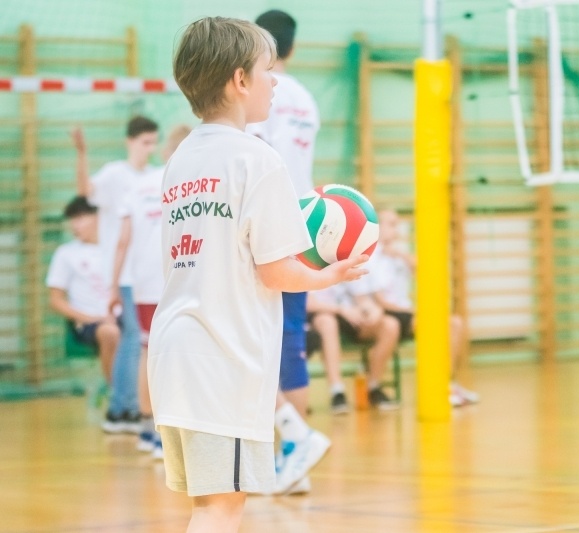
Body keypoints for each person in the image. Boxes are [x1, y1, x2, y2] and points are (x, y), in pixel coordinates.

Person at [150, 17, 366, 532]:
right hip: (220, 357)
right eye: (269, 71)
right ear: (240, 80)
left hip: (174, 351)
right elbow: (276, 272)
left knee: (209, 506)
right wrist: (332, 276)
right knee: (221, 509)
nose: (276, 82)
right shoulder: (259, 160)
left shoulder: (180, 159)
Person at [245, 9, 324, 496]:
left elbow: (254, 162)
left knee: (250, 339)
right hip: (305, 223)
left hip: (268, 226)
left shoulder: (259, 92)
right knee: (289, 339)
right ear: (292, 47)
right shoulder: (306, 100)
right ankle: (296, 460)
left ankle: (292, 444)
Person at [110, 125, 192, 459]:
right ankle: (169, 435)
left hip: (143, 281)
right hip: (177, 276)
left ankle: (149, 430)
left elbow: (123, 241)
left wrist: (113, 286)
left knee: (148, 351)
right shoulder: (189, 184)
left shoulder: (138, 185)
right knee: (178, 355)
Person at [73, 116, 159, 433]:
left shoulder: (155, 176)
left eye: (153, 143)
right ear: (130, 142)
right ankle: (123, 409)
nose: (149, 149)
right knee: (134, 340)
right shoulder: (114, 174)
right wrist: (82, 153)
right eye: (145, 142)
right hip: (123, 275)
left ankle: (125, 409)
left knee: (135, 341)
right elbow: (85, 190)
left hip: (148, 277)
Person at [352, 208, 479, 407]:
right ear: (378, 227)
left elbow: (425, 272)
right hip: (387, 314)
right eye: (391, 224)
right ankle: (374, 386)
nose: (396, 229)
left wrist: (401, 255)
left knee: (454, 323)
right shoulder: (370, 257)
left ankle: (446, 383)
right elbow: (381, 302)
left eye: (397, 224)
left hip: (406, 313)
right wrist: (418, 312)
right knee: (394, 326)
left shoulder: (398, 254)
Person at [47, 197, 119, 384]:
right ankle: (117, 393)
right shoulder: (66, 253)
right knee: (109, 332)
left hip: (120, 317)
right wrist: (90, 318)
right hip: (87, 323)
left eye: (80, 218)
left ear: (98, 217)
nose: (74, 225)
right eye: (72, 220)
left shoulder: (116, 248)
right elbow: (55, 300)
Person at [306, 282, 401, 413]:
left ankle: (373, 387)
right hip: (324, 315)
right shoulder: (314, 269)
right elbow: (309, 304)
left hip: (352, 316)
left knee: (390, 325)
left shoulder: (351, 270)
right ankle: (337, 391)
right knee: (327, 322)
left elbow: (362, 299)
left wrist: (374, 311)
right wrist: (341, 309)